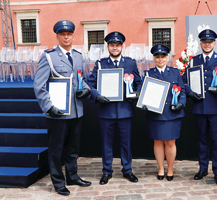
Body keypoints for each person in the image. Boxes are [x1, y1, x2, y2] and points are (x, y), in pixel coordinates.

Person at [33, 20, 92, 196]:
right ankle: (58, 182)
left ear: (73, 35)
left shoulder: (78, 55)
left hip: (76, 109)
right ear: (57, 36)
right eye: (62, 34)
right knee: (56, 149)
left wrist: (86, 90)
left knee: (73, 148)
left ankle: (72, 176)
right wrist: (49, 107)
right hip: (57, 111)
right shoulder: (49, 56)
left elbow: (82, 79)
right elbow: (39, 85)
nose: (66, 37)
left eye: (69, 34)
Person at [87, 31, 142, 185]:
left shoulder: (130, 63)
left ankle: (127, 170)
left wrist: (137, 92)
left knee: (126, 143)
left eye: (118, 45)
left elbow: (139, 82)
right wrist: (96, 95)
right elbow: (90, 84)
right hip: (107, 110)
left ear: (122, 46)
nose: (115, 48)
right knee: (106, 143)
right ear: (108, 47)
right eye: (112, 45)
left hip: (125, 110)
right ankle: (106, 171)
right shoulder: (100, 64)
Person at [182, 29, 217, 185]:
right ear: (200, 44)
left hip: (216, 106)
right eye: (204, 42)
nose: (207, 44)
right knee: (202, 139)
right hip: (199, 106)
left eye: (210, 42)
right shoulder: (193, 61)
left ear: (214, 43)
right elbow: (184, 81)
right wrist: (190, 92)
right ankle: (203, 168)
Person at [142, 44, 186, 181]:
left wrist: (181, 103)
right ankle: (161, 168)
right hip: (155, 114)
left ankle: (170, 169)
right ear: (154, 58)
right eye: (157, 57)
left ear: (167, 58)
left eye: (163, 57)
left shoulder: (174, 72)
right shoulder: (148, 74)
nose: (160, 59)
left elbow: (182, 90)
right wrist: (143, 102)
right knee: (158, 142)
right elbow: (143, 91)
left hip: (172, 113)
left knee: (171, 142)